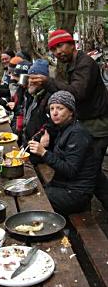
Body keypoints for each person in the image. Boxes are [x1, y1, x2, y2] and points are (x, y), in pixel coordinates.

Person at [30, 29, 108, 209]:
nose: (57, 52)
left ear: (72, 44)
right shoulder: (67, 65)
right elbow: (60, 96)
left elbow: (76, 93)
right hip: (84, 121)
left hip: (97, 124)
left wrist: (47, 81)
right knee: (91, 171)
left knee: (90, 171)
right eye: (53, 49)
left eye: (60, 46)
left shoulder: (85, 63)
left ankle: (82, 206)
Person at [29, 91, 97, 216]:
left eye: (60, 108)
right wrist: (44, 146)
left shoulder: (77, 134)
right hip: (64, 186)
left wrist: (44, 153)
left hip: (76, 193)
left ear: (71, 111)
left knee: (36, 200)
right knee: (32, 189)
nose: (54, 113)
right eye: (52, 108)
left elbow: (70, 170)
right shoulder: (63, 128)